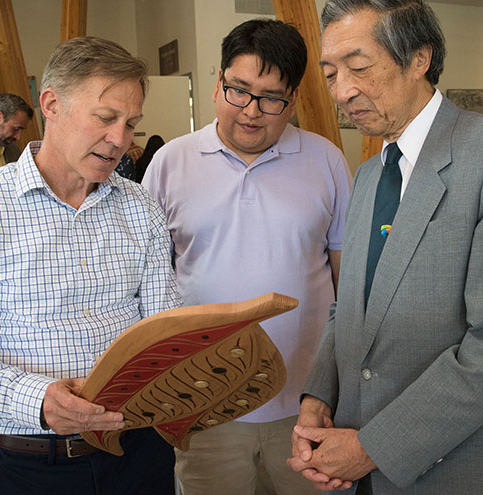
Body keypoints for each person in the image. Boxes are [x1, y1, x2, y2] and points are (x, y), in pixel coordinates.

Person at [286, 1, 483, 493]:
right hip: (352, 455)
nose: (343, 91)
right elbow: (350, 305)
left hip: (457, 466)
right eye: (330, 74)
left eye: (359, 67)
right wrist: (318, 396)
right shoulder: (370, 174)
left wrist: (372, 447)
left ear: (418, 58)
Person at [0, 36, 181, 494]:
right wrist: (37, 400)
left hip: (139, 452)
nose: (121, 139)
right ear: (51, 104)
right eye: (105, 118)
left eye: (132, 123)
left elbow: (162, 324)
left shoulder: (142, 208)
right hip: (30, 463)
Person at [143, 19, 351, 495]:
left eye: (272, 98)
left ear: (294, 99)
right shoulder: (170, 163)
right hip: (205, 403)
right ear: (218, 82)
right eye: (239, 90)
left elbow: (348, 284)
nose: (252, 112)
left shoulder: (327, 162)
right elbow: (150, 285)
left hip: (306, 405)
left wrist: (334, 389)